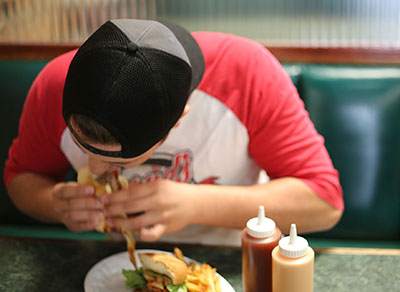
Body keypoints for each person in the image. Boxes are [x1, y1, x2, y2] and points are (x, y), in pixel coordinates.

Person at [4, 19, 343, 246]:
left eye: (121, 159)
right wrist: (55, 204)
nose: (93, 168)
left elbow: (324, 203)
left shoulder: (247, 72)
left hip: (230, 262)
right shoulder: (53, 85)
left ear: (179, 119)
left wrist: (195, 204)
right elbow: (21, 177)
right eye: (83, 146)